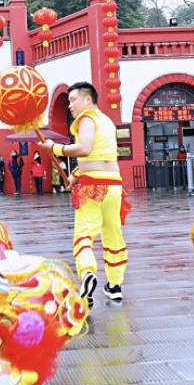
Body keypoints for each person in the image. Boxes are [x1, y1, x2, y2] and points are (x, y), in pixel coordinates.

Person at [41, 82, 129, 305]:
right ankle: (115, 285)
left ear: (88, 100)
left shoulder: (86, 119)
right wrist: (76, 174)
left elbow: (86, 149)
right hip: (113, 185)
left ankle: (88, 273)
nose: (70, 105)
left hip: (93, 187)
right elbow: (101, 153)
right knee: (113, 234)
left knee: (83, 236)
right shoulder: (106, 121)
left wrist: (55, 148)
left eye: (73, 100)